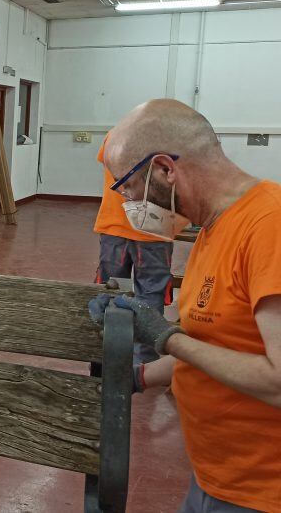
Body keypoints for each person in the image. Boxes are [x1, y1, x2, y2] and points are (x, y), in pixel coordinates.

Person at [88, 99, 281, 513]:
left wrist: (166, 337)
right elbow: (222, 348)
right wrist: (136, 377)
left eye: (129, 189)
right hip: (215, 478)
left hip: (262, 492)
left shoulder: (270, 226)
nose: (130, 205)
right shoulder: (213, 230)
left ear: (164, 169)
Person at [94, 132, 174, 363]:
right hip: (154, 229)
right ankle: (145, 360)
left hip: (115, 227)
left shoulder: (114, 135)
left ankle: (108, 355)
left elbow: (106, 163)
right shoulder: (168, 140)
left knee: (111, 290)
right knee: (151, 292)